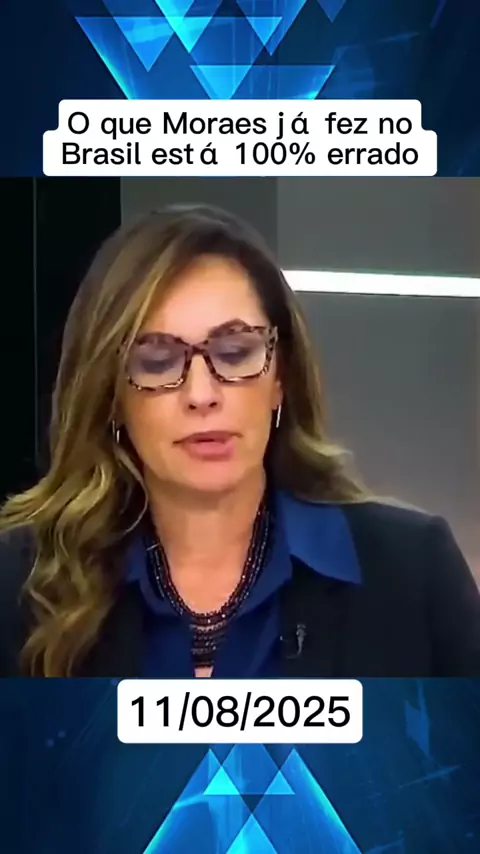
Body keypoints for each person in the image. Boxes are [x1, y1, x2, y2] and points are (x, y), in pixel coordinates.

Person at [0, 204, 479, 679]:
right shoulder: (19, 585)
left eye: (234, 352)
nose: (202, 394)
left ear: (280, 378)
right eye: (157, 361)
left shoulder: (413, 572)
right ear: (112, 395)